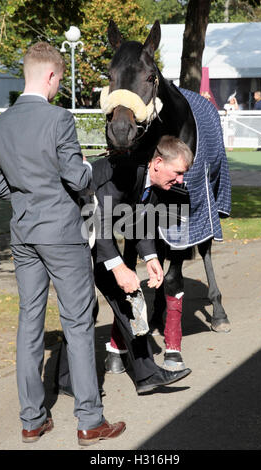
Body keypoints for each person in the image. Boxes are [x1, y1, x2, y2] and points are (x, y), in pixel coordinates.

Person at [0, 41, 126, 446]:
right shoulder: (59, 119)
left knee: (29, 320)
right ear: (50, 75)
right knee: (78, 322)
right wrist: (83, 167)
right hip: (62, 235)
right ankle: (89, 420)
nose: (57, 88)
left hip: (23, 233)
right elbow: (78, 179)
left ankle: (31, 419)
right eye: (59, 80)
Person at [57, 135, 193, 394]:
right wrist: (119, 267)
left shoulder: (152, 183)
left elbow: (136, 219)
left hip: (94, 230)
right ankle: (66, 379)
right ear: (157, 163)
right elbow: (99, 219)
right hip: (73, 229)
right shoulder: (126, 172)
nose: (180, 181)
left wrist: (151, 257)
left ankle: (146, 374)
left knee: (126, 298)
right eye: (177, 173)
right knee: (84, 307)